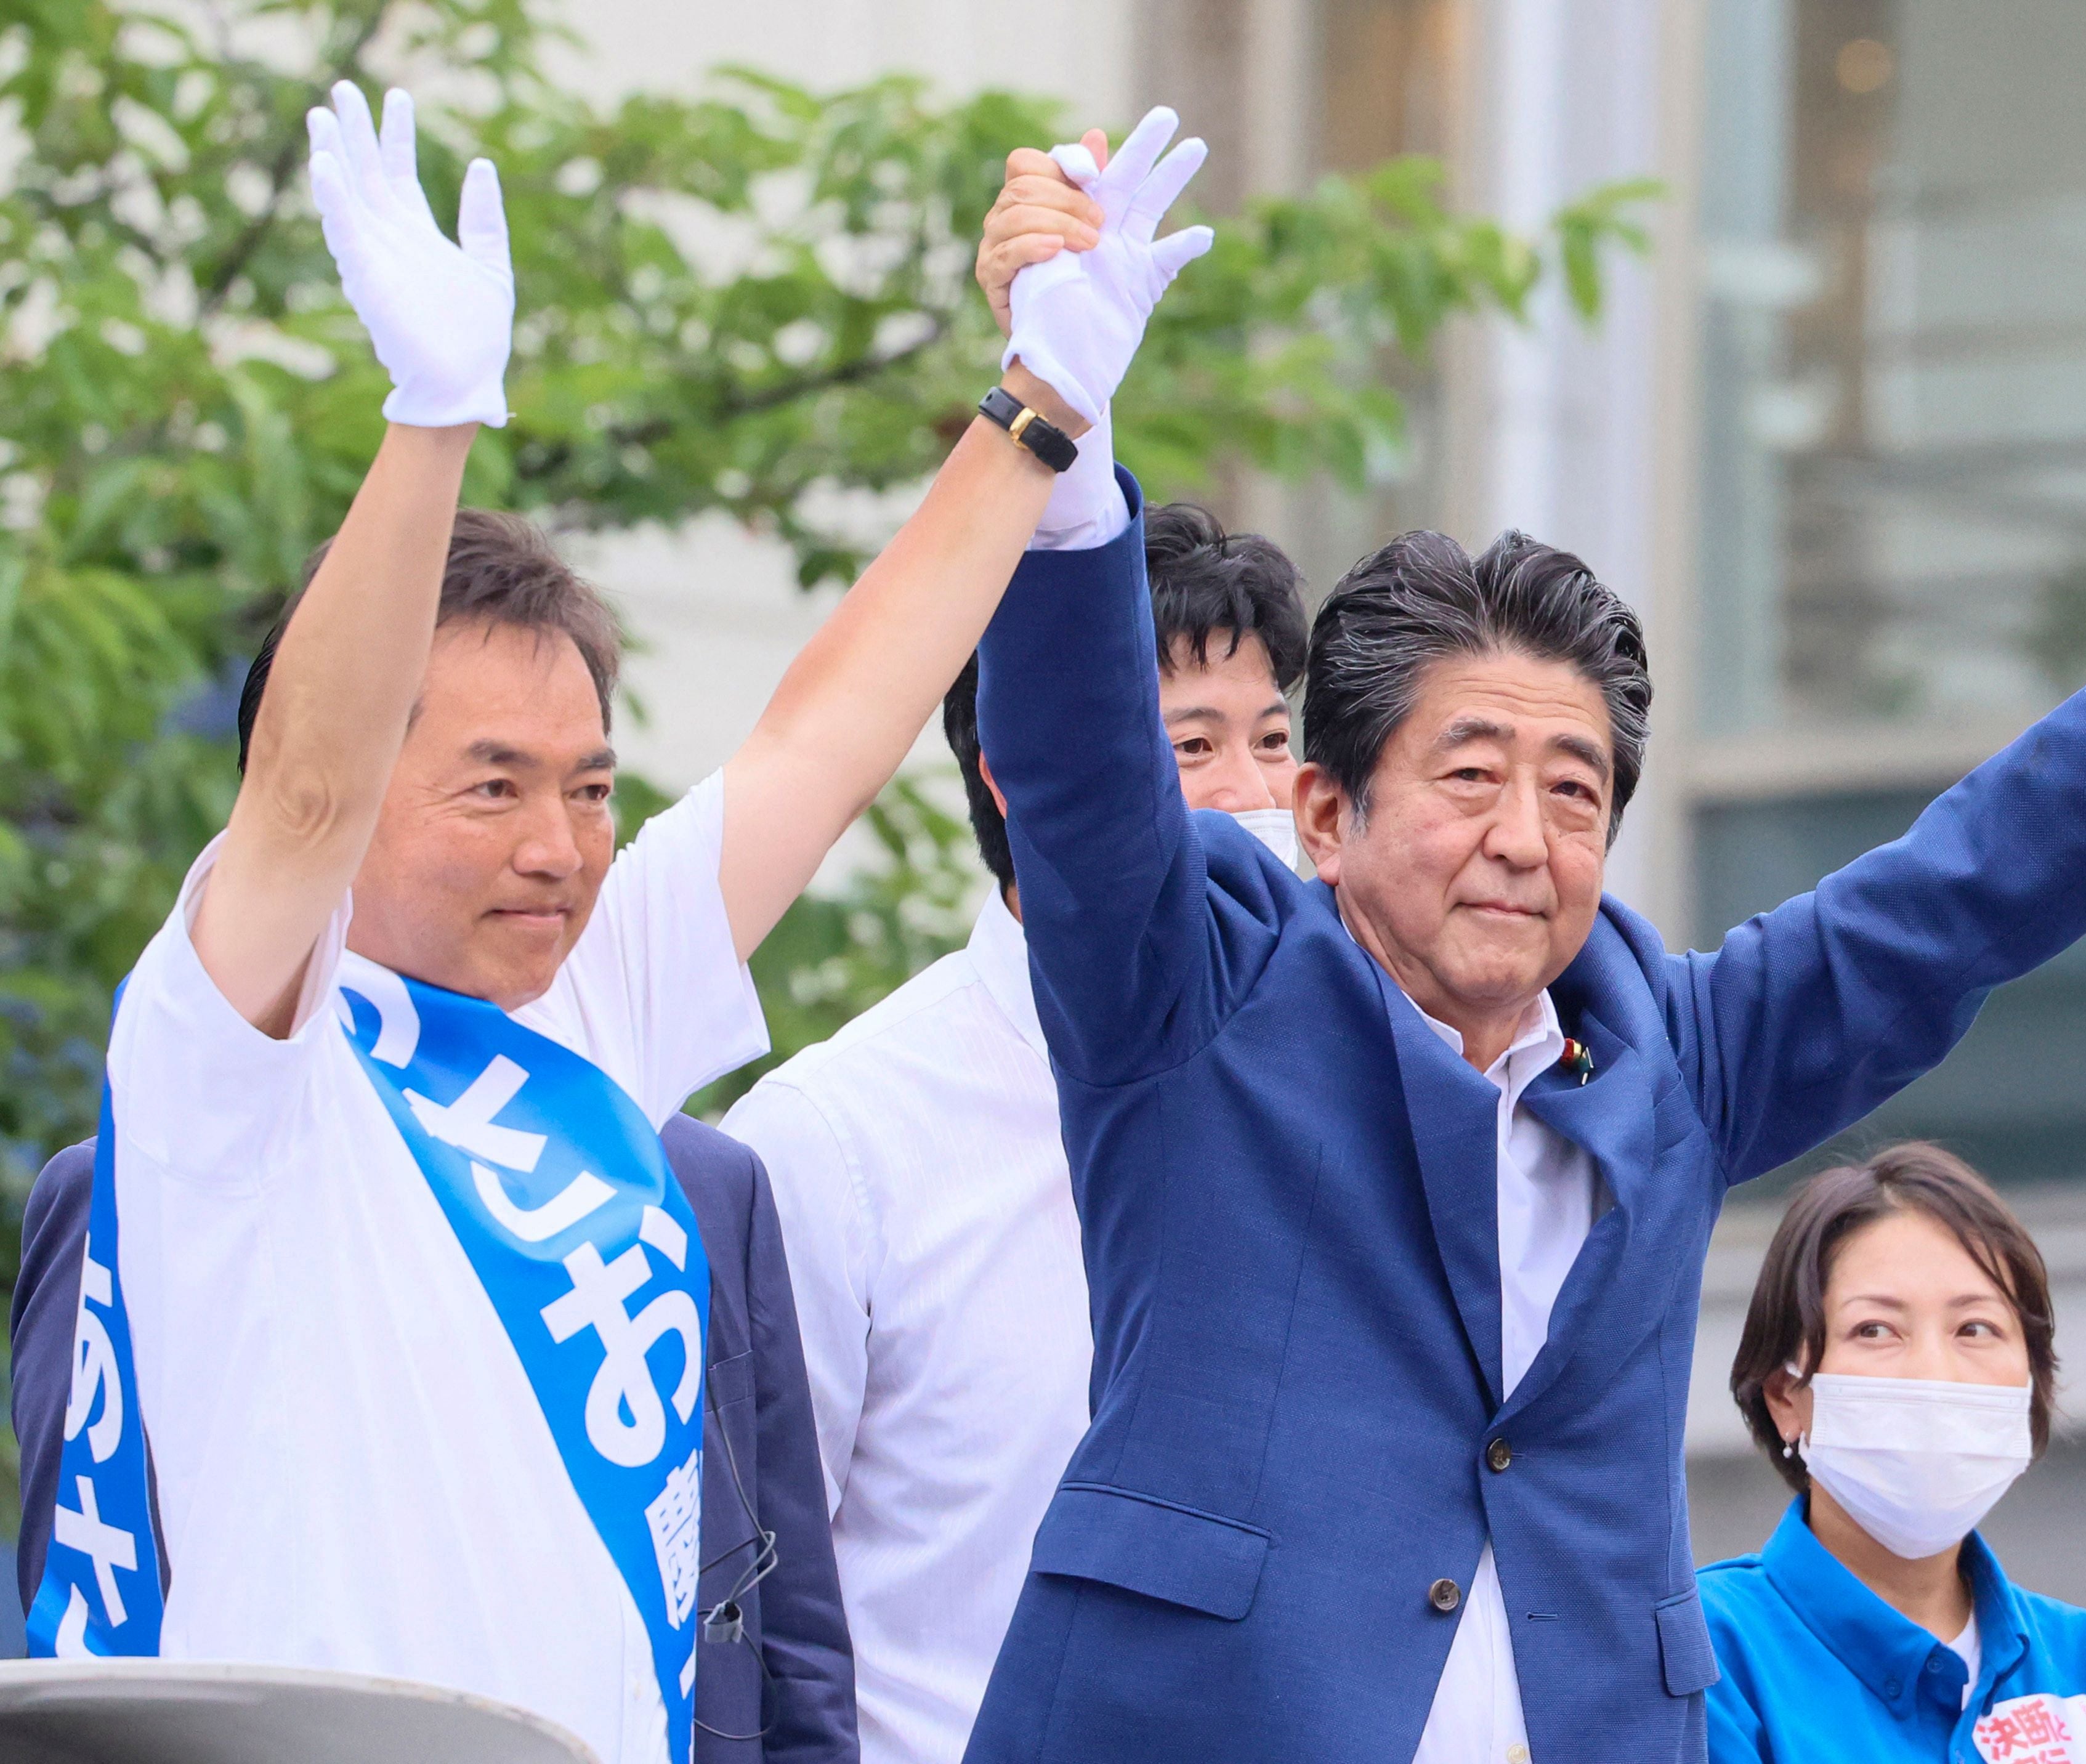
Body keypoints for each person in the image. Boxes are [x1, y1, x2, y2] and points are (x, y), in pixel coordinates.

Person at [955, 126, 2086, 1763]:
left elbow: (1964, 889)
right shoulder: (1199, 990)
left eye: (1574, 793)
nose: (1524, 837)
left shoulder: (1668, 1055)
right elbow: (1077, 773)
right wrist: (1061, 419)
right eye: (1469, 777)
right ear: (1323, 814)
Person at [26, 79, 1207, 1764]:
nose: (560, 846)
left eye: (586, 788)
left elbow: (832, 724)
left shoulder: (588, 1015)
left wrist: (1042, 407)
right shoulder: (236, 1063)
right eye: (491, 786)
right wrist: (431, 420)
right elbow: (299, 792)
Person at [718, 496, 1307, 1764]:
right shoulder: (833, 1143)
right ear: (1025, 765)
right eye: (1192, 747)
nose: (1257, 792)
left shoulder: (1339, 1100)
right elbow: (749, 1606)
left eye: (1271, 737)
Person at [11, 1116, 852, 1761]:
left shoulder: (697, 1178)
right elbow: (89, 1601)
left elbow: (790, 1633)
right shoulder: (144, 1183)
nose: (548, 876)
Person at [1700, 1144, 2086, 1764]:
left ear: (2029, 1381)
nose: (1932, 1373)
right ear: (1786, 1395)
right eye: (1875, 1329)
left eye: (1975, 1328)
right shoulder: (1704, 1660)